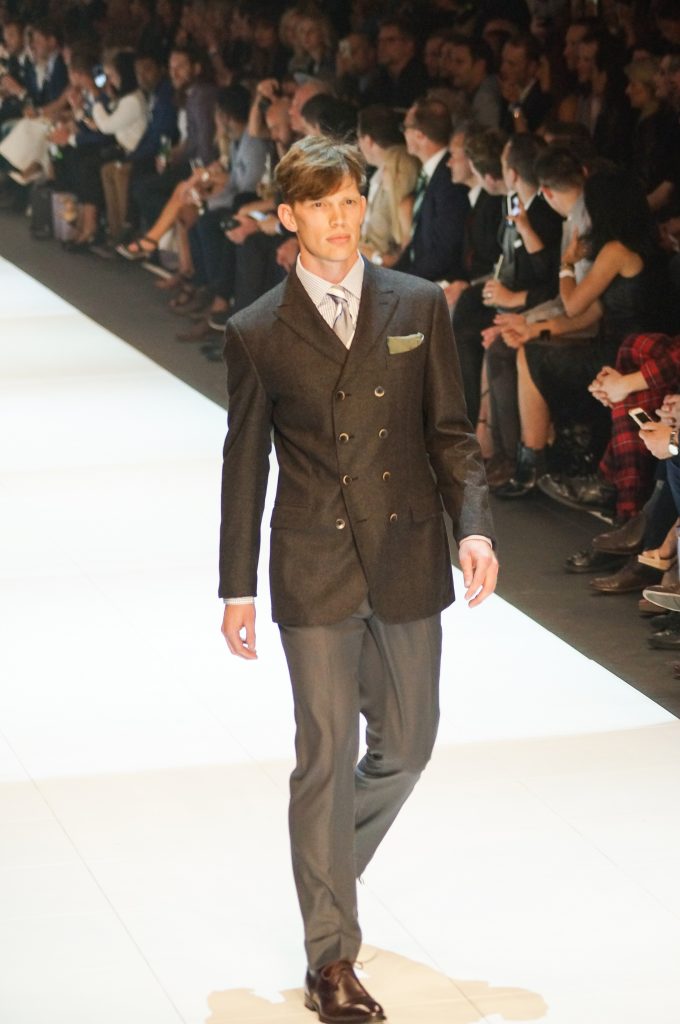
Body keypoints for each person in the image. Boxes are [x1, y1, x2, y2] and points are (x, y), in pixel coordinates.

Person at [218, 135, 497, 1024]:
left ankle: (325, 872)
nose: (341, 220)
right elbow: (244, 462)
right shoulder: (257, 329)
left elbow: (450, 432)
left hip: (408, 551)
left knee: (408, 745)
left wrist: (474, 526)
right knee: (326, 754)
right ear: (289, 215)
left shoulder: (416, 302)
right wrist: (236, 588)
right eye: (322, 204)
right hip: (313, 563)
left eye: (350, 201)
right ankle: (329, 958)